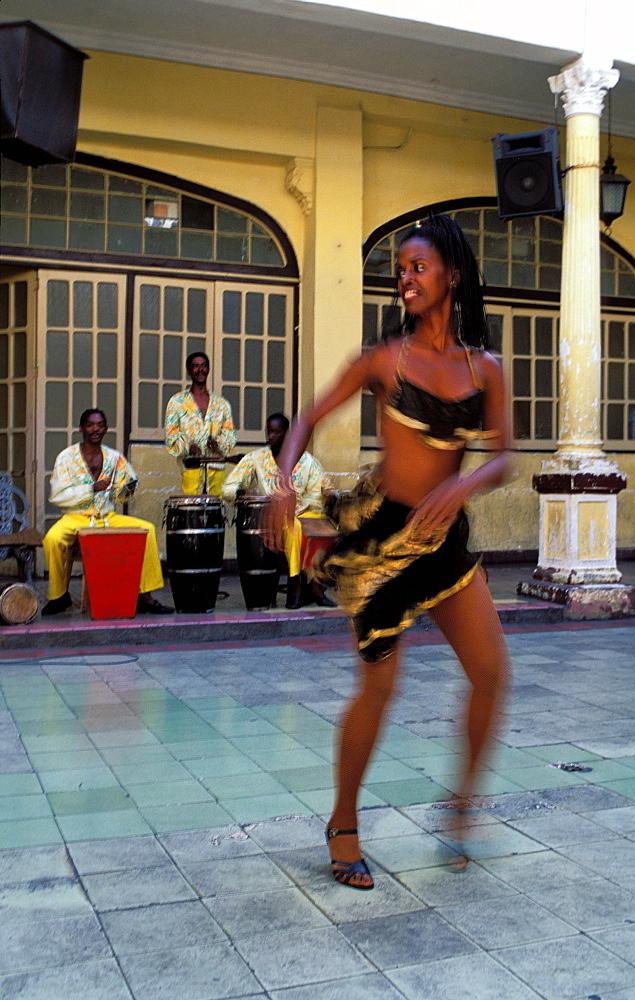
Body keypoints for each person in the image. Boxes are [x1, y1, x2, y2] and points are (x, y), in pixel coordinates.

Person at [263, 214, 511, 890]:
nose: (404, 276)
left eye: (417, 265)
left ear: (450, 276)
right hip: (381, 543)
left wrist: (460, 485)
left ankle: (459, 803)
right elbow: (310, 416)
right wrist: (284, 481)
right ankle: (342, 822)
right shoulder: (381, 358)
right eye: (399, 266)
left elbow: (505, 457)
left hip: (443, 541)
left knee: (491, 672)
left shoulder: (484, 368)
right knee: (380, 685)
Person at [42, 409, 173, 616]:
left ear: (106, 428)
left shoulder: (114, 458)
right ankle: (59, 596)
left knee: (146, 530)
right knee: (52, 539)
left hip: (106, 516)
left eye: (100, 425)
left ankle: (145, 597)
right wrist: (91, 488)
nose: (95, 429)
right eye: (90, 424)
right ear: (81, 428)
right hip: (75, 517)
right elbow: (58, 496)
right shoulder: (66, 458)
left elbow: (122, 492)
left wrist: (127, 490)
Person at [223, 413, 336, 609]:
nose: (270, 436)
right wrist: (240, 493)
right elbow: (228, 488)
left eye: (276, 432)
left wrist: (327, 498)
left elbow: (322, 487)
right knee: (294, 530)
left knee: (331, 531)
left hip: (306, 514)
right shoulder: (256, 458)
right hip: (275, 518)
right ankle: (296, 586)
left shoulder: (306, 460)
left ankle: (316, 588)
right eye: (269, 431)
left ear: (288, 434)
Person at [165, 352, 237, 496]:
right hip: (191, 470)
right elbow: (170, 436)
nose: (200, 370)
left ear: (208, 369)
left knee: (215, 513)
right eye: (195, 366)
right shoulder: (177, 402)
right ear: (189, 371)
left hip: (216, 470)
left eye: (204, 365)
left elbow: (230, 436)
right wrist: (188, 446)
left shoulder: (221, 404)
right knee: (192, 513)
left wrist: (218, 444)